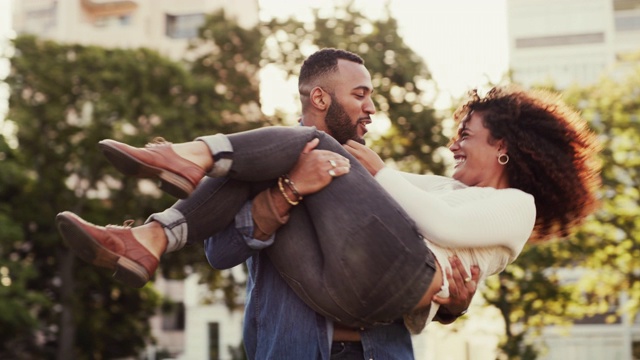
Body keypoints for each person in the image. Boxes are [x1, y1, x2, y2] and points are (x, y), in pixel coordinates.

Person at [57, 49, 479, 360]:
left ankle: (158, 224)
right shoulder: (255, 167)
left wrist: (450, 304)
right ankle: (156, 226)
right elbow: (220, 253)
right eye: (360, 95)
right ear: (320, 99)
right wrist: (289, 189)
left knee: (290, 149)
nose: (371, 107)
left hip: (382, 351)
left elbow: (406, 270)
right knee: (284, 152)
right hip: (295, 349)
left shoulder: (382, 178)